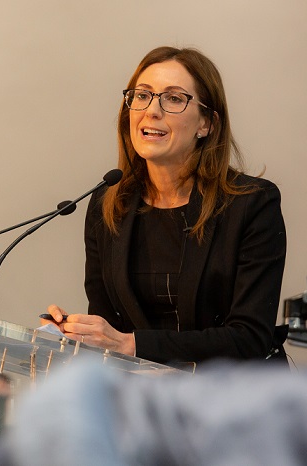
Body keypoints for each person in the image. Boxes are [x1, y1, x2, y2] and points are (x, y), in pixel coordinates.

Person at [44, 46, 286, 365]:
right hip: (148, 400)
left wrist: (134, 345)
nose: (151, 111)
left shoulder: (252, 204)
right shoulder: (108, 204)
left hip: (234, 400)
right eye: (142, 95)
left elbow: (249, 337)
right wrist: (76, 334)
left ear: (207, 124)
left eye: (173, 99)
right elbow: (109, 328)